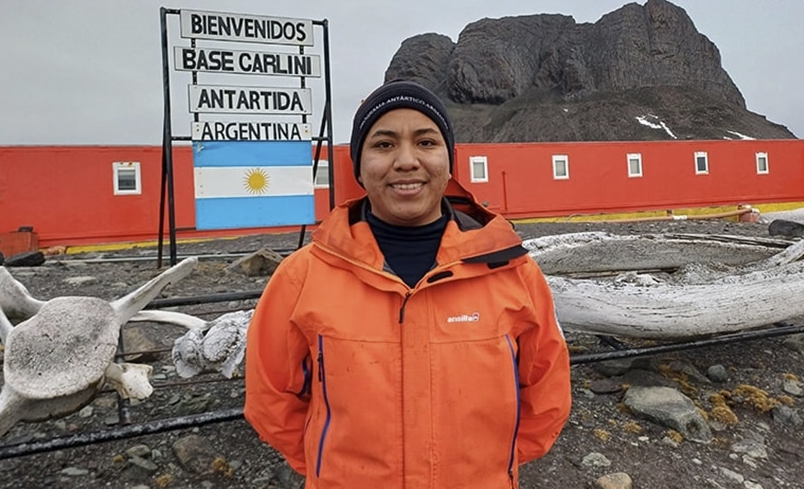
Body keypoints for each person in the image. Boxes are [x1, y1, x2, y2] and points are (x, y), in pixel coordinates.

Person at [244, 80, 571, 488]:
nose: (406, 161)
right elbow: (270, 398)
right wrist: (329, 467)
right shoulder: (302, 276)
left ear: (449, 162)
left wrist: (491, 465)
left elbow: (546, 389)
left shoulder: (511, 272)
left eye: (426, 142)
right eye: (383, 144)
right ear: (359, 167)